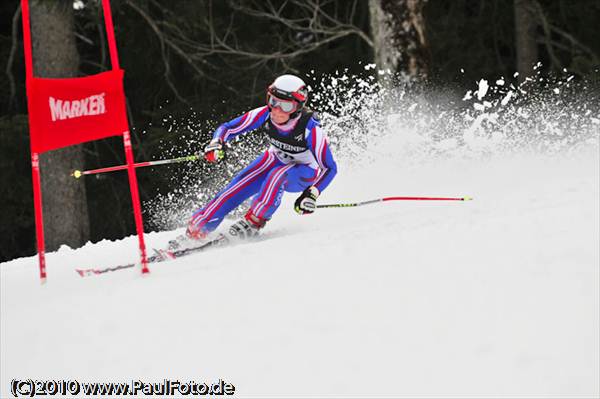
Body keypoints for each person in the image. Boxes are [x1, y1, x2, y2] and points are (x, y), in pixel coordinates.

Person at [185, 74, 337, 241]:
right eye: (273, 101)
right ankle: (198, 228)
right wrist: (217, 142)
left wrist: (312, 193)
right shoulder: (265, 114)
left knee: (277, 175)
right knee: (237, 185)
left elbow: (329, 168)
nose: (277, 110)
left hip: (304, 172)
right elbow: (228, 128)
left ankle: (254, 221)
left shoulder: (310, 129)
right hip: (277, 157)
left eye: (286, 106)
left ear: (297, 107)